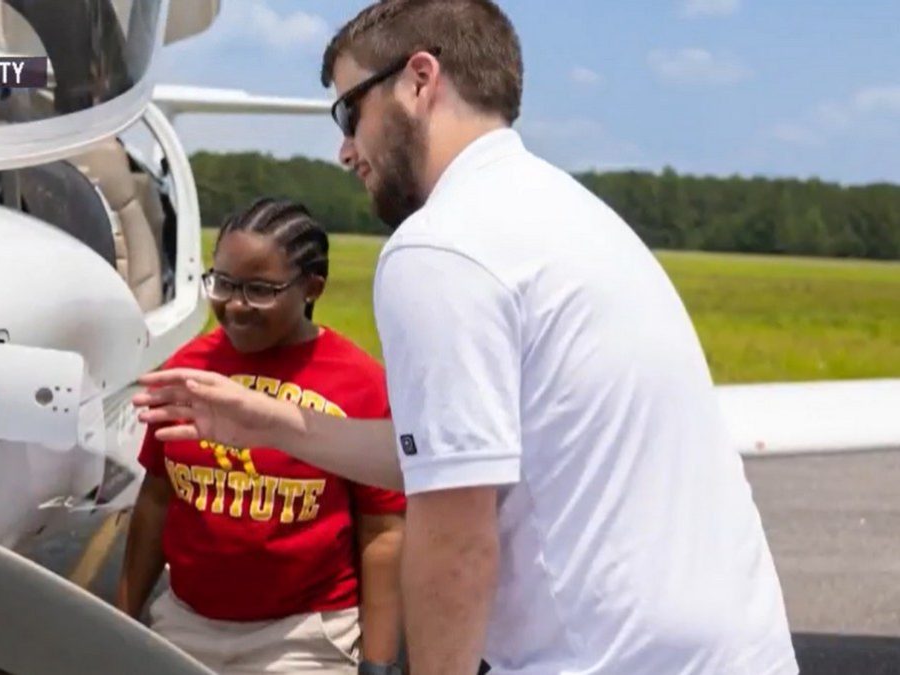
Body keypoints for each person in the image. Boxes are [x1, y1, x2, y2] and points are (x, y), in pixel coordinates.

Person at [135, 1, 799, 674]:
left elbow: (455, 533)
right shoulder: (563, 211)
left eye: (349, 112)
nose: (344, 149)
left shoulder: (441, 247)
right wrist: (279, 424)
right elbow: (459, 451)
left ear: (420, 80)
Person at [119, 197, 406, 675]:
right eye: (225, 282)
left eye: (260, 290)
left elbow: (382, 531)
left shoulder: (360, 383)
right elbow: (156, 499)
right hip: (186, 624)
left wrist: (378, 662)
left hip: (306, 637)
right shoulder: (191, 367)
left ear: (312, 287)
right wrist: (119, 620)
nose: (235, 304)